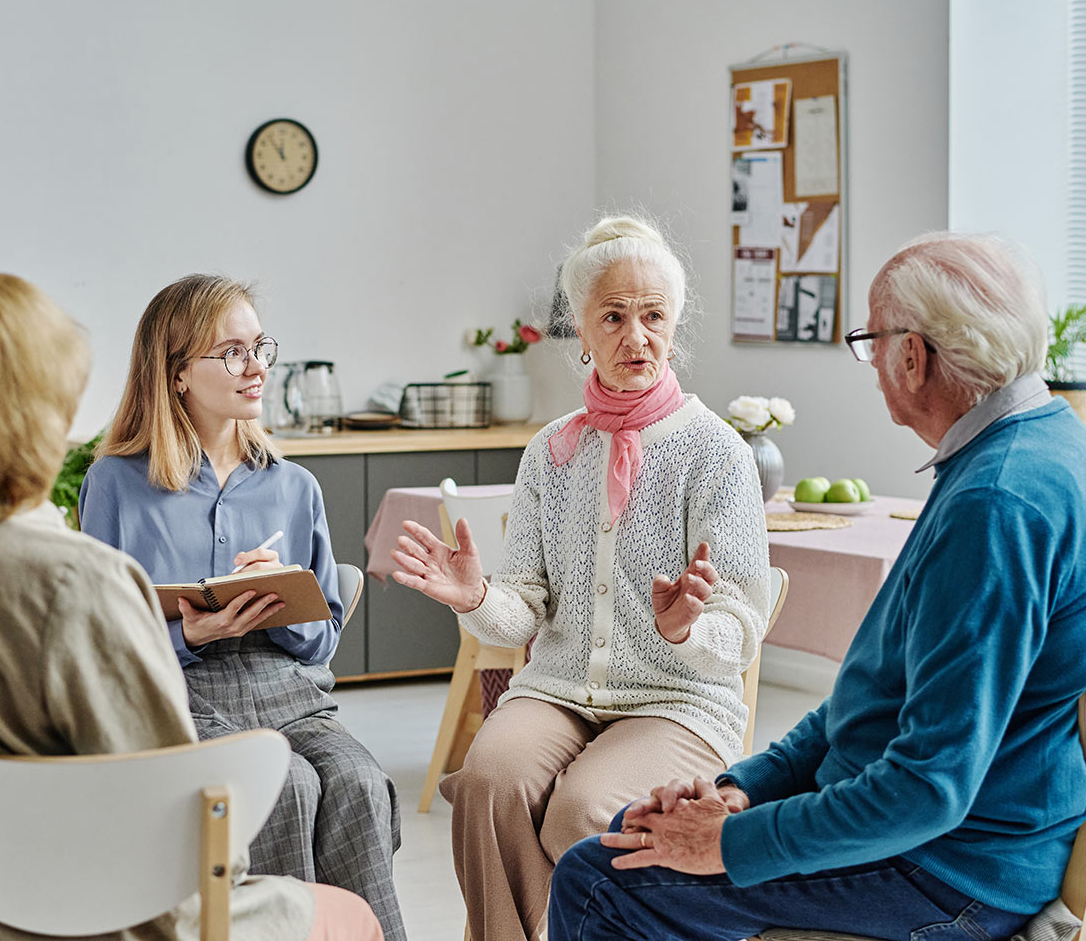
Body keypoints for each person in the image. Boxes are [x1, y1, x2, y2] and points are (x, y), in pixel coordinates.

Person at [0, 273, 383, 941]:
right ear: (35, 417)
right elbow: (171, 850)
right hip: (95, 922)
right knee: (352, 916)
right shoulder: (81, 583)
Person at [547, 232, 1086, 940]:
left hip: (949, 870)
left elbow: (929, 789)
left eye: (869, 341)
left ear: (912, 357)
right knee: (634, 835)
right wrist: (737, 792)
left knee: (600, 880)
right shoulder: (1032, 443)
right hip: (949, 841)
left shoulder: (996, 503)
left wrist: (727, 843)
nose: (871, 365)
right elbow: (867, 703)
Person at [391, 215, 771, 941]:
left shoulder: (716, 452)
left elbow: (742, 630)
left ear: (674, 322)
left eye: (653, 316)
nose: (637, 337)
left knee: (581, 812)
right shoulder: (550, 452)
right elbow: (525, 613)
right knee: (487, 781)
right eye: (615, 317)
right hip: (558, 688)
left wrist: (689, 628)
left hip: (679, 700)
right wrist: (475, 598)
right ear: (582, 331)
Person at [79, 274, 405, 941]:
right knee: (283, 784)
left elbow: (321, 643)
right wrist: (190, 635)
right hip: (177, 692)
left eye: (260, 347)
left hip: (290, 688)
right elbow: (98, 638)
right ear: (175, 375)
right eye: (231, 352)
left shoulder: (295, 486)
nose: (256, 366)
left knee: (360, 783)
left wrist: (285, 601)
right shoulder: (114, 482)